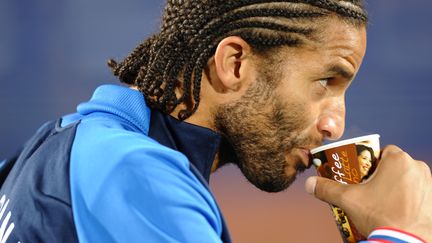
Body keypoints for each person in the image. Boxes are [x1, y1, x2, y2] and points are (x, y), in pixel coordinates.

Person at [0, 0, 430, 242]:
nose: (335, 124)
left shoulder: (58, 141)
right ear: (235, 64)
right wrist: (400, 235)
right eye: (324, 82)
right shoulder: (136, 177)